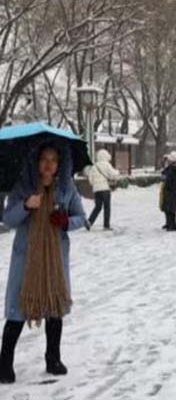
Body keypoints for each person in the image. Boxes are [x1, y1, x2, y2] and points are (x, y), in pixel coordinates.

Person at [0, 141, 87, 384]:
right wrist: (27, 205)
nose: (48, 164)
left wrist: (66, 221)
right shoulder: (23, 187)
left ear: (60, 164)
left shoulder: (67, 189)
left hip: (55, 259)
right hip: (26, 259)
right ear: (36, 162)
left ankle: (53, 358)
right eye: (44, 159)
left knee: (54, 307)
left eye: (54, 160)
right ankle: (4, 363)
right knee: (17, 308)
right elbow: (8, 220)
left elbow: (82, 217)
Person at [86, 149, 120, 230]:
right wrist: (117, 172)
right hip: (105, 189)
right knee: (107, 207)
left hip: (96, 190)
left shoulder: (94, 166)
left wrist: (95, 185)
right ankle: (106, 225)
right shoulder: (106, 164)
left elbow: (90, 180)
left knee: (98, 207)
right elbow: (113, 174)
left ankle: (89, 222)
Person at [160, 151, 176, 231]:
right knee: (167, 208)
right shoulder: (170, 168)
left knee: (171, 210)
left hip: (172, 192)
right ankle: (168, 223)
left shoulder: (174, 169)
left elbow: (172, 180)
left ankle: (173, 225)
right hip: (169, 191)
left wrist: (166, 178)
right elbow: (164, 174)